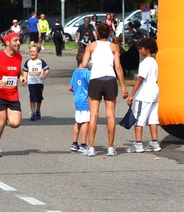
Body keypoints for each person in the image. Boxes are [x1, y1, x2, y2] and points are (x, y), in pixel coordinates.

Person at [81, 22, 128, 157]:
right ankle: (111, 148)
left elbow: (84, 64)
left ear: (97, 33)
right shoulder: (114, 47)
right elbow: (118, 67)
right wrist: (123, 86)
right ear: (109, 33)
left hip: (96, 79)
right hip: (110, 80)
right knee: (110, 115)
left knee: (94, 115)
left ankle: (91, 147)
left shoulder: (91, 46)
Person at [126, 38, 161, 153]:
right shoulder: (154, 62)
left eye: (141, 48)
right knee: (153, 119)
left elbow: (140, 79)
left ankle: (138, 144)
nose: (140, 51)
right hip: (154, 92)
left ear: (147, 49)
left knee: (138, 119)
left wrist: (132, 95)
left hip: (144, 94)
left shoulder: (144, 63)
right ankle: (154, 142)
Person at [69, 53, 91, 153]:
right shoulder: (87, 73)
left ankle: (74, 143)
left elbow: (70, 87)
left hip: (77, 99)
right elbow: (92, 86)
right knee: (85, 121)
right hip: (86, 99)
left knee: (78, 121)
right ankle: (83, 144)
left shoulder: (75, 72)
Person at [23, 44, 49, 121]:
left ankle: (38, 110)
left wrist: (44, 75)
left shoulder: (41, 62)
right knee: (32, 98)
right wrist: (24, 78)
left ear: (38, 52)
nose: (32, 53)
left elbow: (46, 70)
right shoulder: (28, 62)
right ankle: (33, 112)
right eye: (30, 51)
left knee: (38, 98)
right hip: (31, 83)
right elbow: (25, 71)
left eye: (34, 51)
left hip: (39, 82)